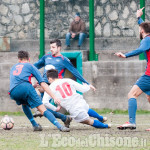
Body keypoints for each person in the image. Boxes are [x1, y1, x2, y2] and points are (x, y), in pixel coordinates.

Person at [9, 51, 70, 132]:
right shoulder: (30, 66)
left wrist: (31, 86)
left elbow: (17, 81)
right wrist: (54, 97)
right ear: (29, 59)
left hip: (13, 91)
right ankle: (60, 126)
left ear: (19, 60)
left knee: (24, 103)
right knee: (43, 109)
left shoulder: (13, 67)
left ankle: (35, 125)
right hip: (26, 88)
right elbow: (43, 84)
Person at [33, 39, 96, 117]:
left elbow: (74, 71)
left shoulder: (63, 60)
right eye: (50, 47)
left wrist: (87, 83)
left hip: (55, 86)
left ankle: (48, 112)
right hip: (44, 84)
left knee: (48, 107)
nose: (51, 49)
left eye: (53, 47)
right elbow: (34, 67)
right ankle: (46, 111)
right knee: (36, 94)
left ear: (59, 48)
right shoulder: (46, 57)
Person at [44, 69, 111, 129]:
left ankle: (106, 126)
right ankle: (101, 118)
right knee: (86, 109)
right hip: (80, 102)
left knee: (89, 121)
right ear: (57, 76)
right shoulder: (67, 80)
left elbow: (45, 102)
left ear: (49, 79)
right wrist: (87, 86)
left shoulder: (49, 88)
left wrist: (55, 109)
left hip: (74, 109)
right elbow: (83, 89)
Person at [115, 21, 150, 130]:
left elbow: (141, 49)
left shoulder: (147, 39)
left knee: (132, 94)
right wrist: (139, 18)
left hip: (149, 75)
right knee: (149, 97)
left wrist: (125, 55)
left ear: (141, 30)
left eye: (139, 28)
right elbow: (145, 25)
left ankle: (131, 122)